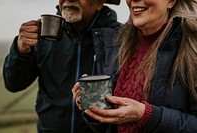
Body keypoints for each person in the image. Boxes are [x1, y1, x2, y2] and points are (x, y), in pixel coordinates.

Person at [72, 0, 197, 132]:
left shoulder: (192, 47)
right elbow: (113, 126)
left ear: (171, 2)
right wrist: (93, 105)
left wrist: (147, 115)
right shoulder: (117, 43)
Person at [3, 0, 121, 132]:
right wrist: (20, 50)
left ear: (99, 3)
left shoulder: (121, 38)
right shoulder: (43, 34)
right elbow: (14, 84)